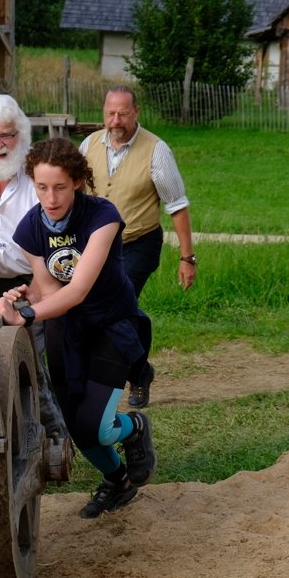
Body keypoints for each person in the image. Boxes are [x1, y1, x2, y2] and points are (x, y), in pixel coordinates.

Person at [0, 137, 157, 519]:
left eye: (60, 187)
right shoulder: (30, 228)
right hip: (66, 330)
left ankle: (133, 427)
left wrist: (26, 315)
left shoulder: (103, 216)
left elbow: (78, 290)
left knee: (98, 427)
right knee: (78, 428)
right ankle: (117, 482)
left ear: (77, 182)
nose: (50, 198)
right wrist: (28, 297)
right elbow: (51, 291)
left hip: (111, 324)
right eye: (42, 187)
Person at [79, 85, 196, 409]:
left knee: (114, 308)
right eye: (110, 113)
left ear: (136, 113)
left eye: (123, 114)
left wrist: (187, 257)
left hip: (138, 244)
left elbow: (177, 206)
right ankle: (140, 371)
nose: (115, 120)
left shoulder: (156, 150)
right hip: (96, 246)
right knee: (115, 312)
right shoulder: (89, 144)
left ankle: (127, 375)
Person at [0, 94, 65, 435]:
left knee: (33, 360)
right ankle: (25, 433)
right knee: (4, 358)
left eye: (6, 135)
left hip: (40, 278)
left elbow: (55, 247)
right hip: (0, 278)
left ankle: (56, 436)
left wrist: (34, 293)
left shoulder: (37, 176)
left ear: (21, 133)